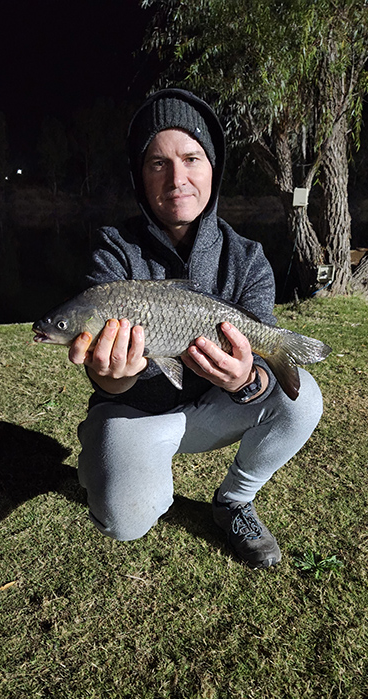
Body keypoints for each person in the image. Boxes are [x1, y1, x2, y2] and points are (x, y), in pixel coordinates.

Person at [69, 88, 323, 569]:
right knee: (123, 519)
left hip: (213, 409)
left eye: (191, 158)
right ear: (140, 177)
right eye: (157, 163)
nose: (177, 178)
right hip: (136, 415)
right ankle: (111, 459)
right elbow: (106, 378)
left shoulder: (247, 257)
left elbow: (260, 365)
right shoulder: (113, 249)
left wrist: (245, 378)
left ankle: (233, 501)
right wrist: (114, 376)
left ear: (213, 168)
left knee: (303, 397)